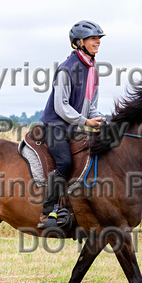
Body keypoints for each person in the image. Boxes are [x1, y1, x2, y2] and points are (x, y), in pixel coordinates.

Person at [37, 20, 106, 229]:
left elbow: (91, 105)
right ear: (80, 42)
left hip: (76, 128)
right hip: (56, 128)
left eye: (99, 39)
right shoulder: (66, 69)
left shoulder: (92, 70)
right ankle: (47, 212)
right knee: (65, 164)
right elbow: (61, 106)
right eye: (94, 39)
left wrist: (100, 120)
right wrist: (85, 121)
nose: (98, 42)